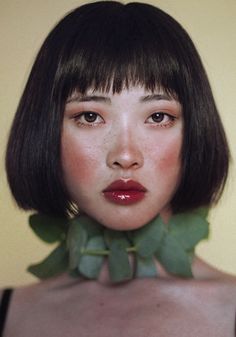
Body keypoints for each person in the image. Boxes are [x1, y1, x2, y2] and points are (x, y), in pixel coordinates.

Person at [0, 1, 235, 336]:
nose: (125, 155)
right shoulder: (9, 314)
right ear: (45, 131)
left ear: (195, 131)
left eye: (157, 117)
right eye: (90, 116)